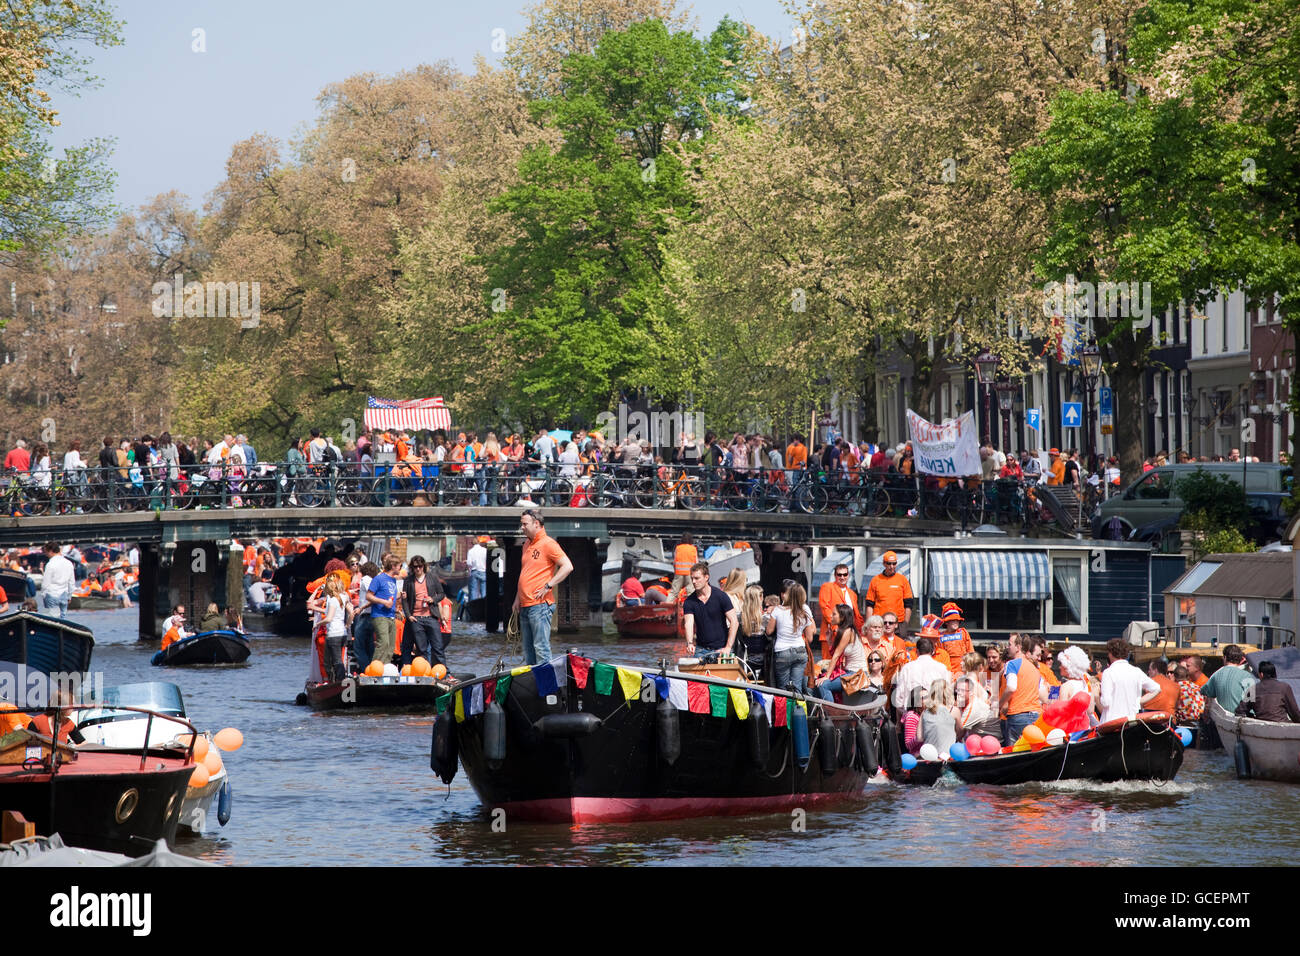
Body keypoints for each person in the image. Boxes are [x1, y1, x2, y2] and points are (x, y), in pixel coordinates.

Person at [512, 510, 573, 665]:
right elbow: (526, 572)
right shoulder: (526, 544)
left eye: (525, 524)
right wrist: (517, 599)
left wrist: (549, 585)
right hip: (525, 604)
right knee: (528, 650)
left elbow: (567, 566)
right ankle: (533, 686)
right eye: (521, 524)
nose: (522, 527)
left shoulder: (548, 544)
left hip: (539, 605)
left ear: (536, 524)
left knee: (541, 648)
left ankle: (547, 688)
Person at [683, 561, 739, 659]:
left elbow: (734, 622)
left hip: (722, 649)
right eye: (692, 578)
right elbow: (688, 623)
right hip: (701, 650)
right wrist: (689, 643)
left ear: (706, 577)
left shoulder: (721, 596)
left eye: (697, 578)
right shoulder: (689, 601)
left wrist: (728, 647)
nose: (693, 582)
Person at [1098, 638, 1161, 723]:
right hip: (1131, 721)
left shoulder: (1108, 673)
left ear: (1111, 654)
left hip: (1112, 723)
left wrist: (1098, 695)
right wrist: (1138, 701)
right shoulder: (1136, 671)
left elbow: (1105, 702)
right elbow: (1156, 688)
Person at [766, 581, 813, 693]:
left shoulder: (778, 610)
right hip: (800, 651)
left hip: (782, 651)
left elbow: (769, 631)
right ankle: (797, 710)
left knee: (783, 689)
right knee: (797, 687)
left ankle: (785, 710)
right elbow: (810, 638)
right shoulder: (804, 612)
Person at [816, 604, 869, 701]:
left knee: (823, 685)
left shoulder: (848, 631)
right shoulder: (845, 631)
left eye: (834, 614)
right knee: (819, 679)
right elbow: (835, 654)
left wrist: (827, 676)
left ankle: (831, 713)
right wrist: (829, 641)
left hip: (856, 675)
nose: (831, 616)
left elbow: (836, 656)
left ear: (842, 617)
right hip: (850, 672)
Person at [1000, 634, 1047, 744]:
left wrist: (999, 704)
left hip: (1018, 715)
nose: (1007, 647)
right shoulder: (1034, 669)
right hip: (1036, 715)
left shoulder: (1011, 664)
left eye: (1009, 644)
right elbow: (1044, 697)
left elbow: (1011, 687)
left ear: (1018, 647)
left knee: (1015, 754)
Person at [402, 555, 445, 670]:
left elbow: (441, 594)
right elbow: (404, 600)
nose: (418, 569)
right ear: (412, 567)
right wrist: (409, 615)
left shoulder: (432, 578)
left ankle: (444, 672)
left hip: (431, 616)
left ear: (424, 566)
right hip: (416, 618)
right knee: (422, 648)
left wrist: (433, 599)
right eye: (415, 567)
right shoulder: (408, 580)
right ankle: (425, 671)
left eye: (420, 566)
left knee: (438, 646)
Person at [891, 630, 950, 713]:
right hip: (935, 714)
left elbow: (899, 699)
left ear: (917, 652)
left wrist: (906, 714)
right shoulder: (942, 668)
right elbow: (947, 695)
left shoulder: (907, 668)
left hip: (911, 715)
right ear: (932, 651)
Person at [365, 554, 402, 668]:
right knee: (383, 643)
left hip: (391, 616)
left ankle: (384, 669)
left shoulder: (393, 580)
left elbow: (390, 596)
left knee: (391, 646)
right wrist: (384, 602)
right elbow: (369, 596)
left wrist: (400, 596)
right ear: (393, 566)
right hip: (380, 616)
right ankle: (374, 669)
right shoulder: (379, 578)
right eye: (399, 566)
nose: (401, 569)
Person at [818, 563, 863, 657]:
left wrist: (861, 633)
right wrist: (836, 629)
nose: (842, 577)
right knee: (828, 665)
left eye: (845, 574)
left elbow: (856, 615)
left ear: (848, 575)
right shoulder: (827, 587)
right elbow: (825, 608)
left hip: (848, 636)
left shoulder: (852, 594)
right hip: (831, 634)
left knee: (845, 667)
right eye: (839, 575)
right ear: (835, 576)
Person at [863, 551, 914, 633]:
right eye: (889, 563)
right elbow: (869, 605)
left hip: (898, 624)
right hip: (879, 623)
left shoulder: (902, 580)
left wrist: (905, 623)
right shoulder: (876, 580)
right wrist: (868, 624)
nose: (891, 566)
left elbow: (909, 604)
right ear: (884, 564)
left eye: (894, 564)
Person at [1201, 645, 1258, 716]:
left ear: (1224, 657)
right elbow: (1252, 699)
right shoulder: (1247, 676)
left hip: (1222, 717)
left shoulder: (1217, 674)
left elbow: (1206, 691)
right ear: (1241, 659)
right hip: (1243, 716)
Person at [1235, 661, 1299, 722]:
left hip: (1260, 727)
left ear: (1261, 674)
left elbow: (1240, 711)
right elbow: (1294, 713)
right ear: (1275, 674)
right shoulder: (1285, 687)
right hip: (1282, 724)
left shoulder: (1253, 689)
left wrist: (1252, 717)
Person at [956, 652, 999, 739]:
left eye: (963, 661)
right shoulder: (974, 681)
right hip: (983, 725)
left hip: (979, 725)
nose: (960, 663)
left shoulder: (967, 681)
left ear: (970, 664)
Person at [320, 574, 351, 682]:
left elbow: (328, 619)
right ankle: (334, 680)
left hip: (334, 634)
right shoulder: (344, 597)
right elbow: (351, 612)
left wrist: (317, 624)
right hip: (342, 633)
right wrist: (347, 625)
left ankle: (340, 682)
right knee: (329, 661)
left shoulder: (333, 600)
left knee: (335, 661)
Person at [922, 678, 963, 755]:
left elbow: (919, 737)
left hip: (929, 756)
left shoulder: (925, 712)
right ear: (947, 692)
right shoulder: (954, 711)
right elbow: (961, 731)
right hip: (949, 755)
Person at [738, 584, 769, 679]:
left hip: (746, 659)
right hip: (764, 660)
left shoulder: (739, 617)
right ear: (760, 598)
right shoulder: (766, 619)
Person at [38, 542, 75, 618]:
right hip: (64, 594)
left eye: (46, 552)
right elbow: (71, 582)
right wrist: (69, 596)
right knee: (62, 620)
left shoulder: (50, 564)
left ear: (51, 551)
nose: (46, 554)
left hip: (52, 594)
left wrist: (43, 595)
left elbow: (46, 583)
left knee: (51, 620)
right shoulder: (69, 563)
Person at [936, 602, 973, 675]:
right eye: (953, 620)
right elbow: (941, 657)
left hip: (964, 671)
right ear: (946, 622)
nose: (956, 622)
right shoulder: (940, 636)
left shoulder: (964, 633)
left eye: (957, 620)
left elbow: (971, 653)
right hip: (949, 672)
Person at [668, 533, 697, 601]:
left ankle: (666, 607)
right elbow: (696, 563)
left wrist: (676, 572)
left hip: (679, 573)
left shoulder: (678, 548)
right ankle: (693, 607)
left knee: (673, 592)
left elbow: (674, 562)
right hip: (690, 573)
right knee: (691, 592)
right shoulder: (693, 549)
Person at [467, 537, 488, 603]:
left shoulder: (470, 551)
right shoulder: (485, 550)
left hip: (474, 571)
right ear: (479, 542)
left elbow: (469, 563)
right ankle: (484, 606)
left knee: (473, 591)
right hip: (483, 571)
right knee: (484, 591)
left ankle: (473, 607)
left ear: (472, 543)